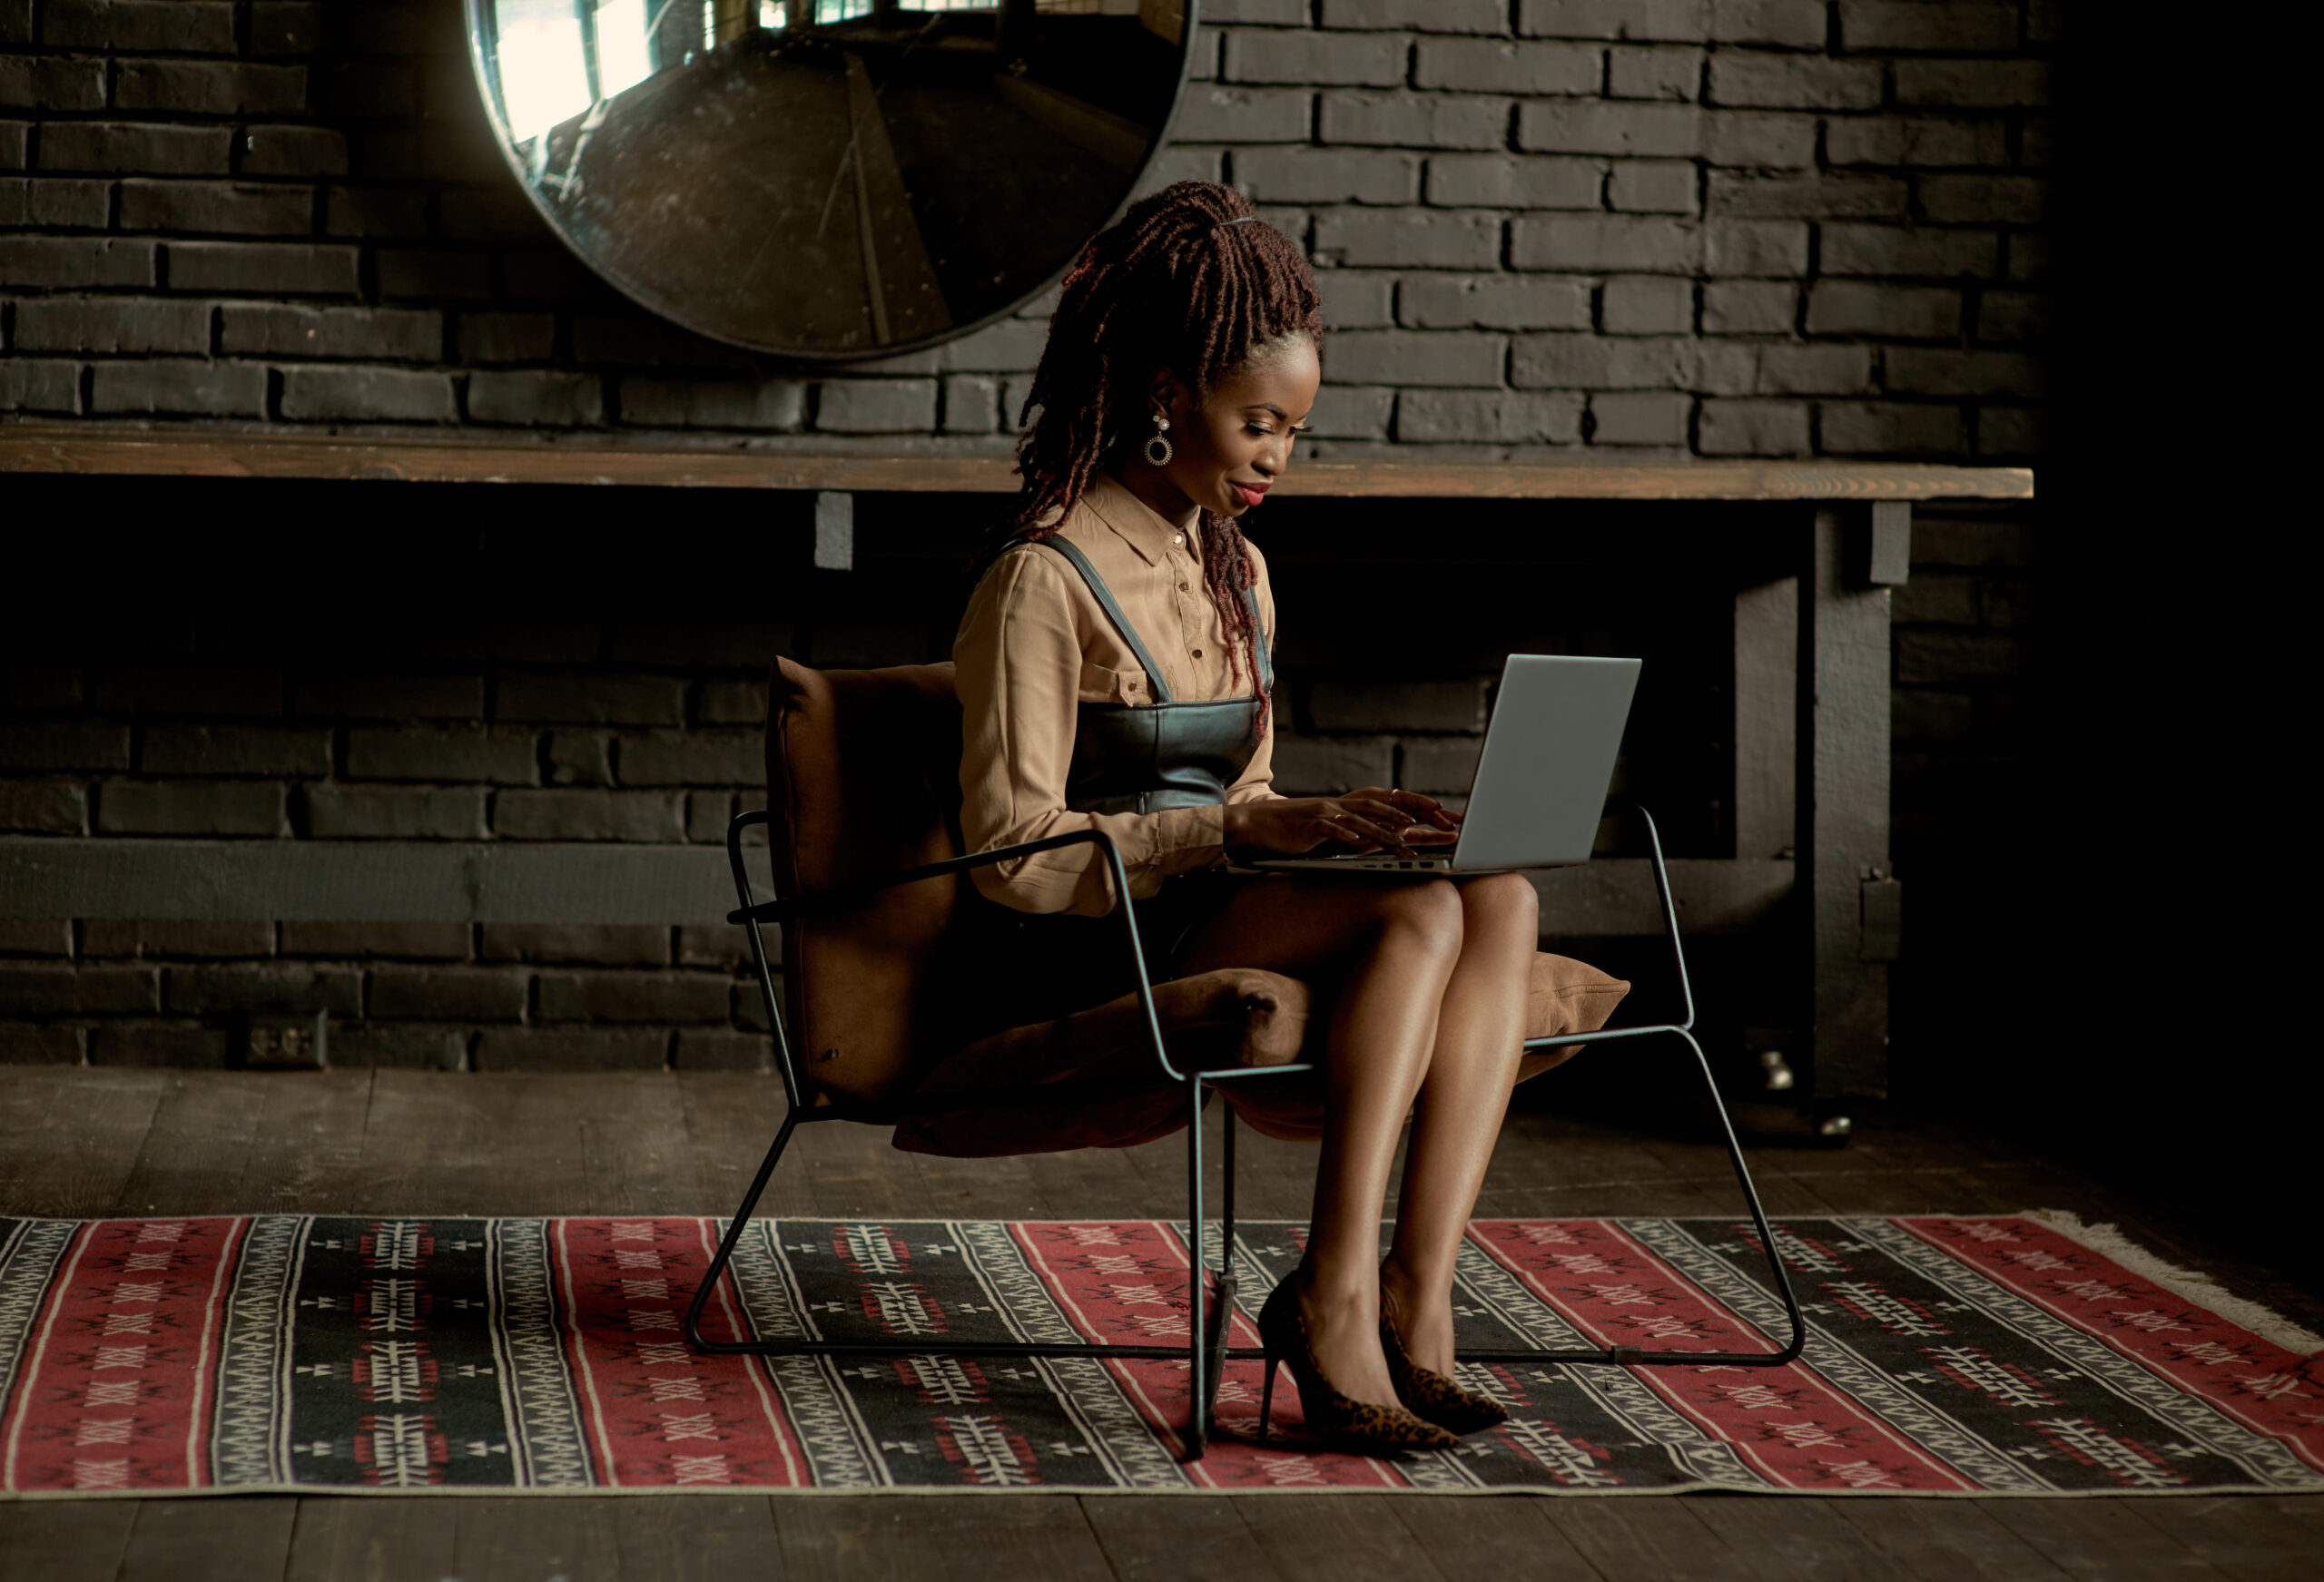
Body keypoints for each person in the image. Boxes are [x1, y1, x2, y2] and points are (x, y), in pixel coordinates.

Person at [951, 182, 1538, 1455]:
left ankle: (1412, 1298)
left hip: (1214, 893)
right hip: (1087, 933)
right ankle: (1331, 1293)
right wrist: (1226, 836)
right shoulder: (1038, 577)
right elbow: (1007, 858)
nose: (1278, 454)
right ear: (1169, 395)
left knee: (1496, 892)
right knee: (1431, 914)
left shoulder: (1239, 570)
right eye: (1257, 422)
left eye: (1294, 429)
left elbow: (1251, 796)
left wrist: (1322, 824)